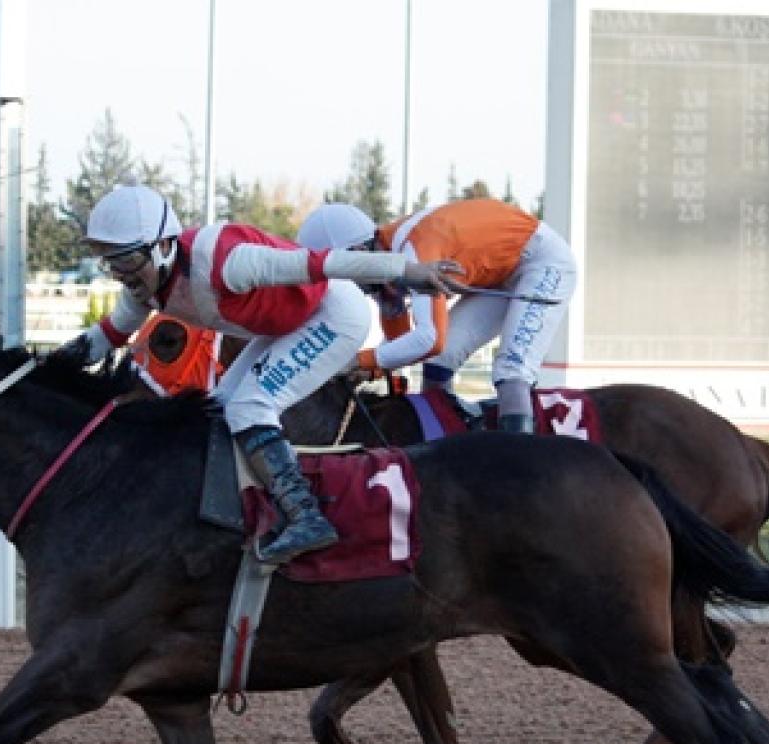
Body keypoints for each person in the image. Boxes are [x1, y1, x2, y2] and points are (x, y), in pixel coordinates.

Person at [55, 184, 460, 565]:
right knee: (220, 407)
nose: (120, 273)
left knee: (250, 406)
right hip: (287, 326)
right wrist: (39, 368)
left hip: (335, 315)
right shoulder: (146, 284)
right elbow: (107, 336)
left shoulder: (227, 261)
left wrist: (408, 270)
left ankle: (307, 517)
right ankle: (245, 510)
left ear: (162, 246)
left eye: (126, 260)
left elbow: (324, 262)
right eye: (111, 262)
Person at [297, 199, 578, 432]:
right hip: (502, 272)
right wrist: (369, 367)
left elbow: (429, 339)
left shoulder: (414, 251)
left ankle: (520, 468)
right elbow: (402, 344)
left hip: (542, 261)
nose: (349, 287)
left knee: (512, 369)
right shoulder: (385, 266)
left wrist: (355, 361)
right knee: (438, 362)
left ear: (358, 252)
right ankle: (441, 451)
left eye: (344, 274)